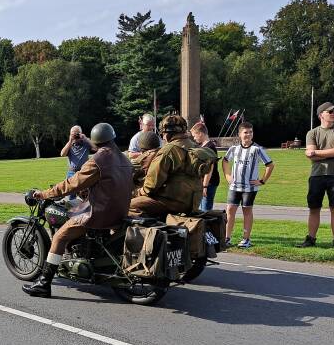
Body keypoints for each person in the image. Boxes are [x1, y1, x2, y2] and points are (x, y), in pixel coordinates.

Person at [22, 123, 133, 298]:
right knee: (75, 215)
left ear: (96, 140)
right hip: (119, 212)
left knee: (59, 237)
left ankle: (44, 284)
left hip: (99, 214)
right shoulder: (124, 159)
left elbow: (71, 184)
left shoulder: (97, 160)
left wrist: (44, 194)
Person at [297, 102, 334, 251]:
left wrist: (316, 153)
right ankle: (311, 239)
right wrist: (330, 153)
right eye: (330, 112)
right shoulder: (312, 133)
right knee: (314, 208)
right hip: (317, 175)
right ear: (321, 115)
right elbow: (313, 156)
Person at [130, 115, 204, 217]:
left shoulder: (168, 150)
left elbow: (151, 184)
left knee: (127, 206)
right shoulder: (194, 146)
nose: (163, 137)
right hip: (193, 201)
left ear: (168, 133)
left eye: (163, 133)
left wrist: (137, 192)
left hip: (173, 201)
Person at [221, 122, 275, 249]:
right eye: (245, 132)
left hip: (249, 188)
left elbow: (270, 165)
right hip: (234, 186)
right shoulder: (234, 149)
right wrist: (228, 176)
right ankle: (227, 238)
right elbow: (225, 161)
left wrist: (262, 181)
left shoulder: (257, 149)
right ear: (240, 134)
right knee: (230, 210)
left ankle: (246, 239)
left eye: (251, 132)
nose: (248, 134)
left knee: (247, 211)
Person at [191, 122, 220, 211]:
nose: (194, 138)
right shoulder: (202, 146)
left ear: (200, 133)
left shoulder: (209, 147)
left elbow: (209, 169)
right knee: (200, 210)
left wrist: (205, 186)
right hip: (203, 183)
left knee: (205, 211)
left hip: (209, 183)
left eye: (194, 136)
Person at [59, 125, 92, 200]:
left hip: (84, 172)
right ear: (70, 135)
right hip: (72, 173)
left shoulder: (86, 143)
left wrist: (86, 139)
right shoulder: (69, 145)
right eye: (73, 134)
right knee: (71, 196)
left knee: (87, 195)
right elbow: (62, 154)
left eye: (77, 133)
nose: (76, 136)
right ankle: (72, 207)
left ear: (81, 133)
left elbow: (96, 148)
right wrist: (70, 141)